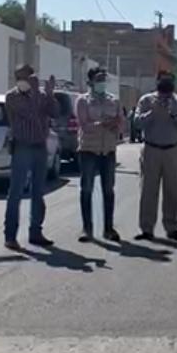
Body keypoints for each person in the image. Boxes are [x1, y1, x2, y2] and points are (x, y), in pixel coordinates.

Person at [3, 64, 60, 251]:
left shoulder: (42, 96)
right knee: (16, 192)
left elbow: (55, 112)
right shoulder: (12, 97)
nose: (23, 81)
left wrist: (50, 94)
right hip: (22, 146)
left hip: (39, 146)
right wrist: (37, 92)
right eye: (19, 77)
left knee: (38, 191)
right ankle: (10, 235)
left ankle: (36, 231)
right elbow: (31, 114)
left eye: (26, 77)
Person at [134, 71, 177, 241]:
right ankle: (147, 228)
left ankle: (172, 227)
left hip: (172, 150)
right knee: (148, 190)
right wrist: (152, 113)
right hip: (151, 149)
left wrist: (174, 115)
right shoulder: (146, 100)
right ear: (157, 83)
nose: (165, 94)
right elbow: (137, 122)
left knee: (172, 190)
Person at [75, 67, 125, 243]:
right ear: (91, 82)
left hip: (108, 150)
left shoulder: (114, 101)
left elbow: (121, 125)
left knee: (108, 190)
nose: (102, 82)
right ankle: (87, 229)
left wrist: (114, 124)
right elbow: (84, 125)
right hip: (88, 150)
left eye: (104, 79)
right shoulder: (83, 101)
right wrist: (102, 123)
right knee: (87, 189)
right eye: (99, 79)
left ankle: (108, 229)